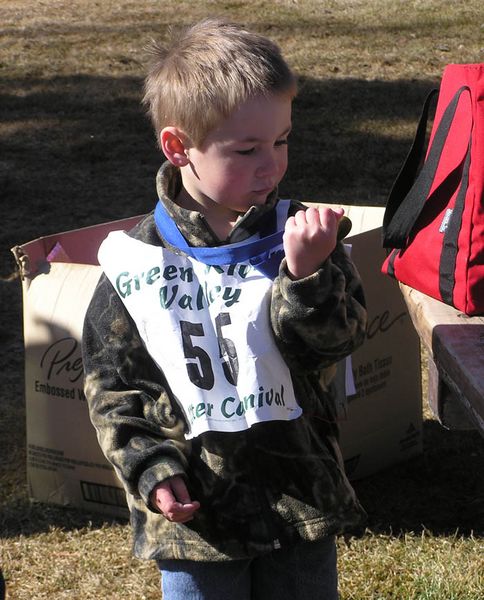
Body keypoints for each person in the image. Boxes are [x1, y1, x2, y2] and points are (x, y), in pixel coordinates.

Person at [82, 17, 367, 600]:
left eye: (282, 141)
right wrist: (153, 469)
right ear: (178, 146)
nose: (272, 165)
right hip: (198, 515)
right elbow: (114, 388)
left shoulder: (301, 234)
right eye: (247, 149)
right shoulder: (138, 263)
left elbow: (335, 345)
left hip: (298, 493)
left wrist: (308, 275)